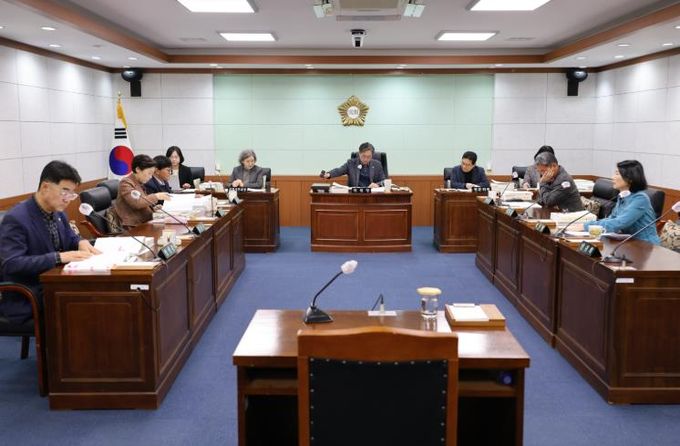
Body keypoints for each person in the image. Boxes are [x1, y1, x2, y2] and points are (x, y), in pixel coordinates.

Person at [0, 161, 100, 323]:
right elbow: (12, 264)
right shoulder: (16, 218)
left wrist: (81, 242)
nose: (68, 199)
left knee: (98, 294)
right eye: (64, 192)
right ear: (45, 187)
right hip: (29, 295)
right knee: (89, 304)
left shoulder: (58, 213)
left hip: (55, 285)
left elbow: (70, 238)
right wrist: (58, 258)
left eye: (72, 194)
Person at [583, 160, 660, 244]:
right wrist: (589, 225)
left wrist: (586, 226)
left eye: (617, 174)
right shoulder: (622, 197)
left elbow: (619, 223)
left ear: (630, 178)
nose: (613, 177)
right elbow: (611, 219)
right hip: (629, 243)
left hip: (646, 245)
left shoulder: (640, 199)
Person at [113, 154, 170, 227]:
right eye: (149, 173)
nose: (150, 177)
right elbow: (136, 203)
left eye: (152, 174)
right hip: (133, 226)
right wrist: (156, 196)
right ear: (138, 169)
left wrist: (153, 209)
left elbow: (143, 202)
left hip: (145, 222)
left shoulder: (140, 183)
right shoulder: (126, 183)